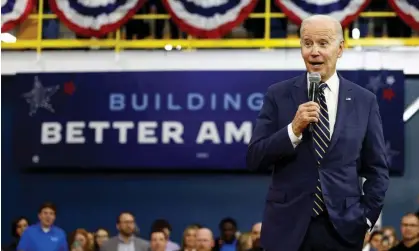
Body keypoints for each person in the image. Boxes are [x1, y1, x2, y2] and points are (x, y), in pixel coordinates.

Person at [246, 14, 389, 251]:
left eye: (323, 43)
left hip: (343, 230)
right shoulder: (278, 95)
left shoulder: (365, 101)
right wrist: (292, 130)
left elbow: (377, 170)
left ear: (340, 49)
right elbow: (254, 158)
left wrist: (365, 218)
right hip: (286, 230)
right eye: (307, 43)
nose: (314, 51)